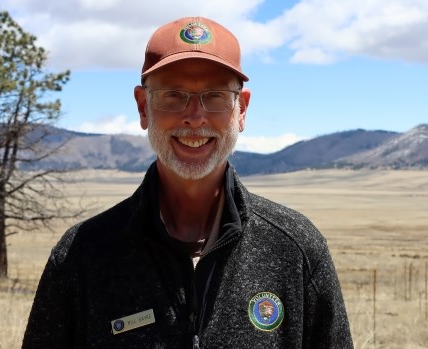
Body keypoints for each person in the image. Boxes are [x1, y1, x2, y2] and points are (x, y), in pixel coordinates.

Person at [23, 16, 353, 348]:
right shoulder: (82, 256)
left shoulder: (295, 250)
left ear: (241, 110)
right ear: (143, 107)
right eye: (173, 95)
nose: (195, 117)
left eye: (214, 96)